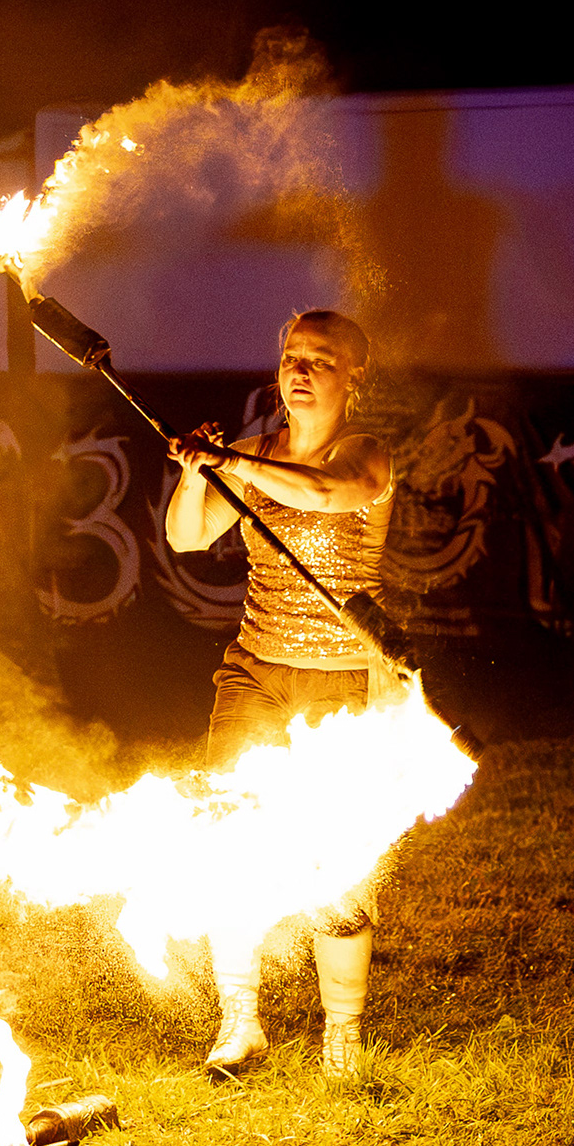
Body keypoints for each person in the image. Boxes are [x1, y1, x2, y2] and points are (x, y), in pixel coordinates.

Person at [164, 308, 395, 1080]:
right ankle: (240, 1025)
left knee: (337, 857)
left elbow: (330, 495)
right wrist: (199, 473)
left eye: (319, 360)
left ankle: (343, 1035)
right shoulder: (251, 454)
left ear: (352, 375)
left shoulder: (366, 455)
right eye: (291, 356)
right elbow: (187, 538)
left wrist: (234, 462)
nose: (298, 371)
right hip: (255, 669)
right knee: (229, 838)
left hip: (344, 681)